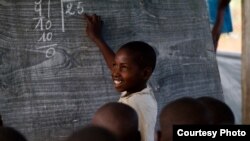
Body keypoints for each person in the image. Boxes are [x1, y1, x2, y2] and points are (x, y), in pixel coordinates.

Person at [84, 14, 157, 141]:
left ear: (145, 73)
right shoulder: (139, 88)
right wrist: (98, 39)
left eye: (123, 67)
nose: (115, 72)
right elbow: (117, 64)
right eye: (115, 66)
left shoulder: (133, 105)